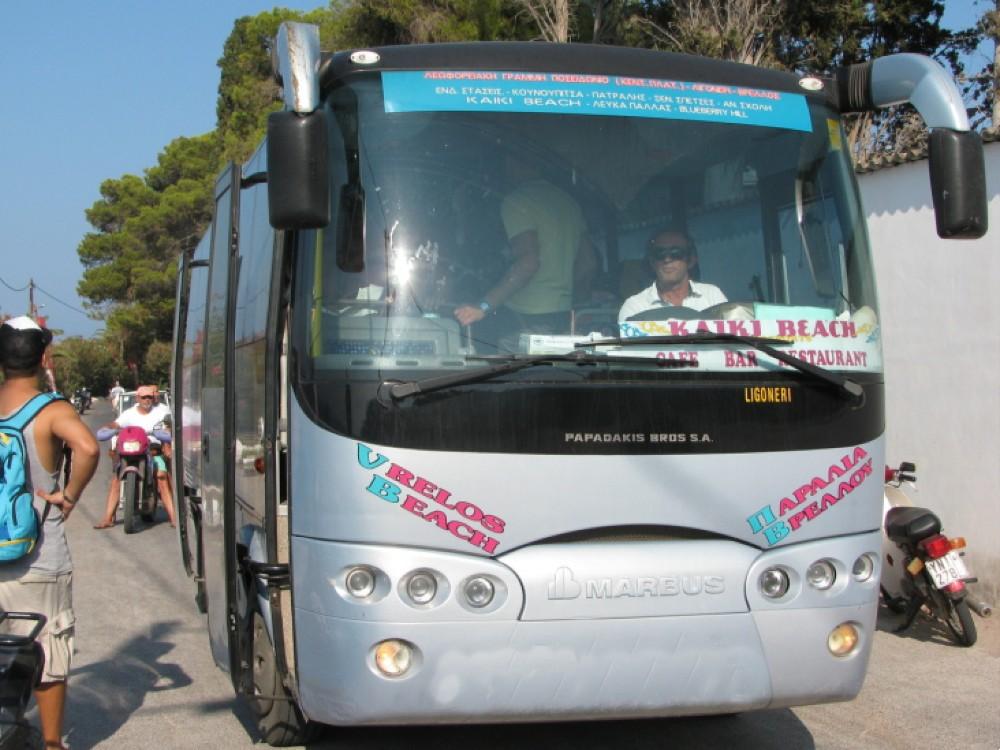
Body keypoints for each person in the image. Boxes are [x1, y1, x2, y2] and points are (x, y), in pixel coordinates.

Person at [0, 316, 99, 750]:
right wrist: (69, 496)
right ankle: (53, 743)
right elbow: (89, 447)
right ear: (43, 357)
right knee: (47, 648)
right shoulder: (51, 409)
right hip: (36, 553)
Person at [454, 163, 596, 337]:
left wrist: (483, 307)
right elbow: (588, 263)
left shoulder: (518, 201)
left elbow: (528, 262)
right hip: (562, 315)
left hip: (523, 318)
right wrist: (572, 304)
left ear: (514, 162)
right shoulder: (570, 203)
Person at [93, 385, 176, 529]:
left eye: (149, 397)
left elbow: (169, 426)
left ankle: (174, 518)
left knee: (161, 476)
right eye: (144, 397)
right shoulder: (129, 413)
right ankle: (108, 518)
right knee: (116, 480)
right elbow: (116, 423)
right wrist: (110, 428)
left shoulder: (161, 412)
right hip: (131, 451)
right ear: (137, 398)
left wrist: (167, 432)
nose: (147, 400)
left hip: (153, 450)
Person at [618, 229, 727, 323]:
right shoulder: (634, 307)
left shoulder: (713, 295)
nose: (667, 259)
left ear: (691, 260)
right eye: (659, 253)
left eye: (676, 253)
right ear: (652, 262)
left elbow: (731, 342)